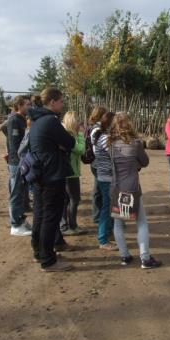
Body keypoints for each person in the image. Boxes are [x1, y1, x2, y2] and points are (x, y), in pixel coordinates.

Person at [28, 87, 76, 272]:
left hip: (40, 174)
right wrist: (61, 147)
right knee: (51, 216)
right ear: (53, 102)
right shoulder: (50, 121)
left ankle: (39, 251)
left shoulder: (37, 120)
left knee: (40, 214)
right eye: (61, 101)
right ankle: (48, 260)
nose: (62, 104)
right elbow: (70, 143)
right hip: (52, 174)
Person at [108, 112, 163, 269]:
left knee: (118, 224)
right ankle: (145, 258)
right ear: (129, 124)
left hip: (116, 187)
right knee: (141, 223)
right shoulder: (136, 143)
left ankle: (124, 256)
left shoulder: (110, 143)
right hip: (132, 188)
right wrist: (136, 164)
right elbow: (144, 162)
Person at [91, 111, 118, 251]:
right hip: (107, 178)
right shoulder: (104, 137)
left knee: (109, 207)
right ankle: (103, 239)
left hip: (105, 176)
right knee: (107, 209)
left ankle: (107, 233)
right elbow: (116, 155)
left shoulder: (103, 136)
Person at [6, 95, 32, 236]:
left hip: (21, 162)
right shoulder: (14, 120)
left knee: (22, 193)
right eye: (27, 104)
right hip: (17, 163)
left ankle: (21, 221)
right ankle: (15, 224)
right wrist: (20, 160)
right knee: (16, 193)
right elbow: (15, 143)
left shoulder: (22, 119)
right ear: (19, 105)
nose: (29, 107)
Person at [61, 111, 86, 235]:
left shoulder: (64, 133)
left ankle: (65, 224)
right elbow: (80, 150)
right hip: (71, 173)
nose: (79, 124)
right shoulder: (71, 136)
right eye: (77, 121)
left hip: (66, 172)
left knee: (66, 200)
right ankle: (72, 225)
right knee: (74, 199)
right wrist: (81, 135)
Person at [87, 106, 107, 224]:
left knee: (98, 189)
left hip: (96, 163)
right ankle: (98, 215)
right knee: (99, 191)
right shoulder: (97, 129)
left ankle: (97, 215)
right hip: (99, 163)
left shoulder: (95, 127)